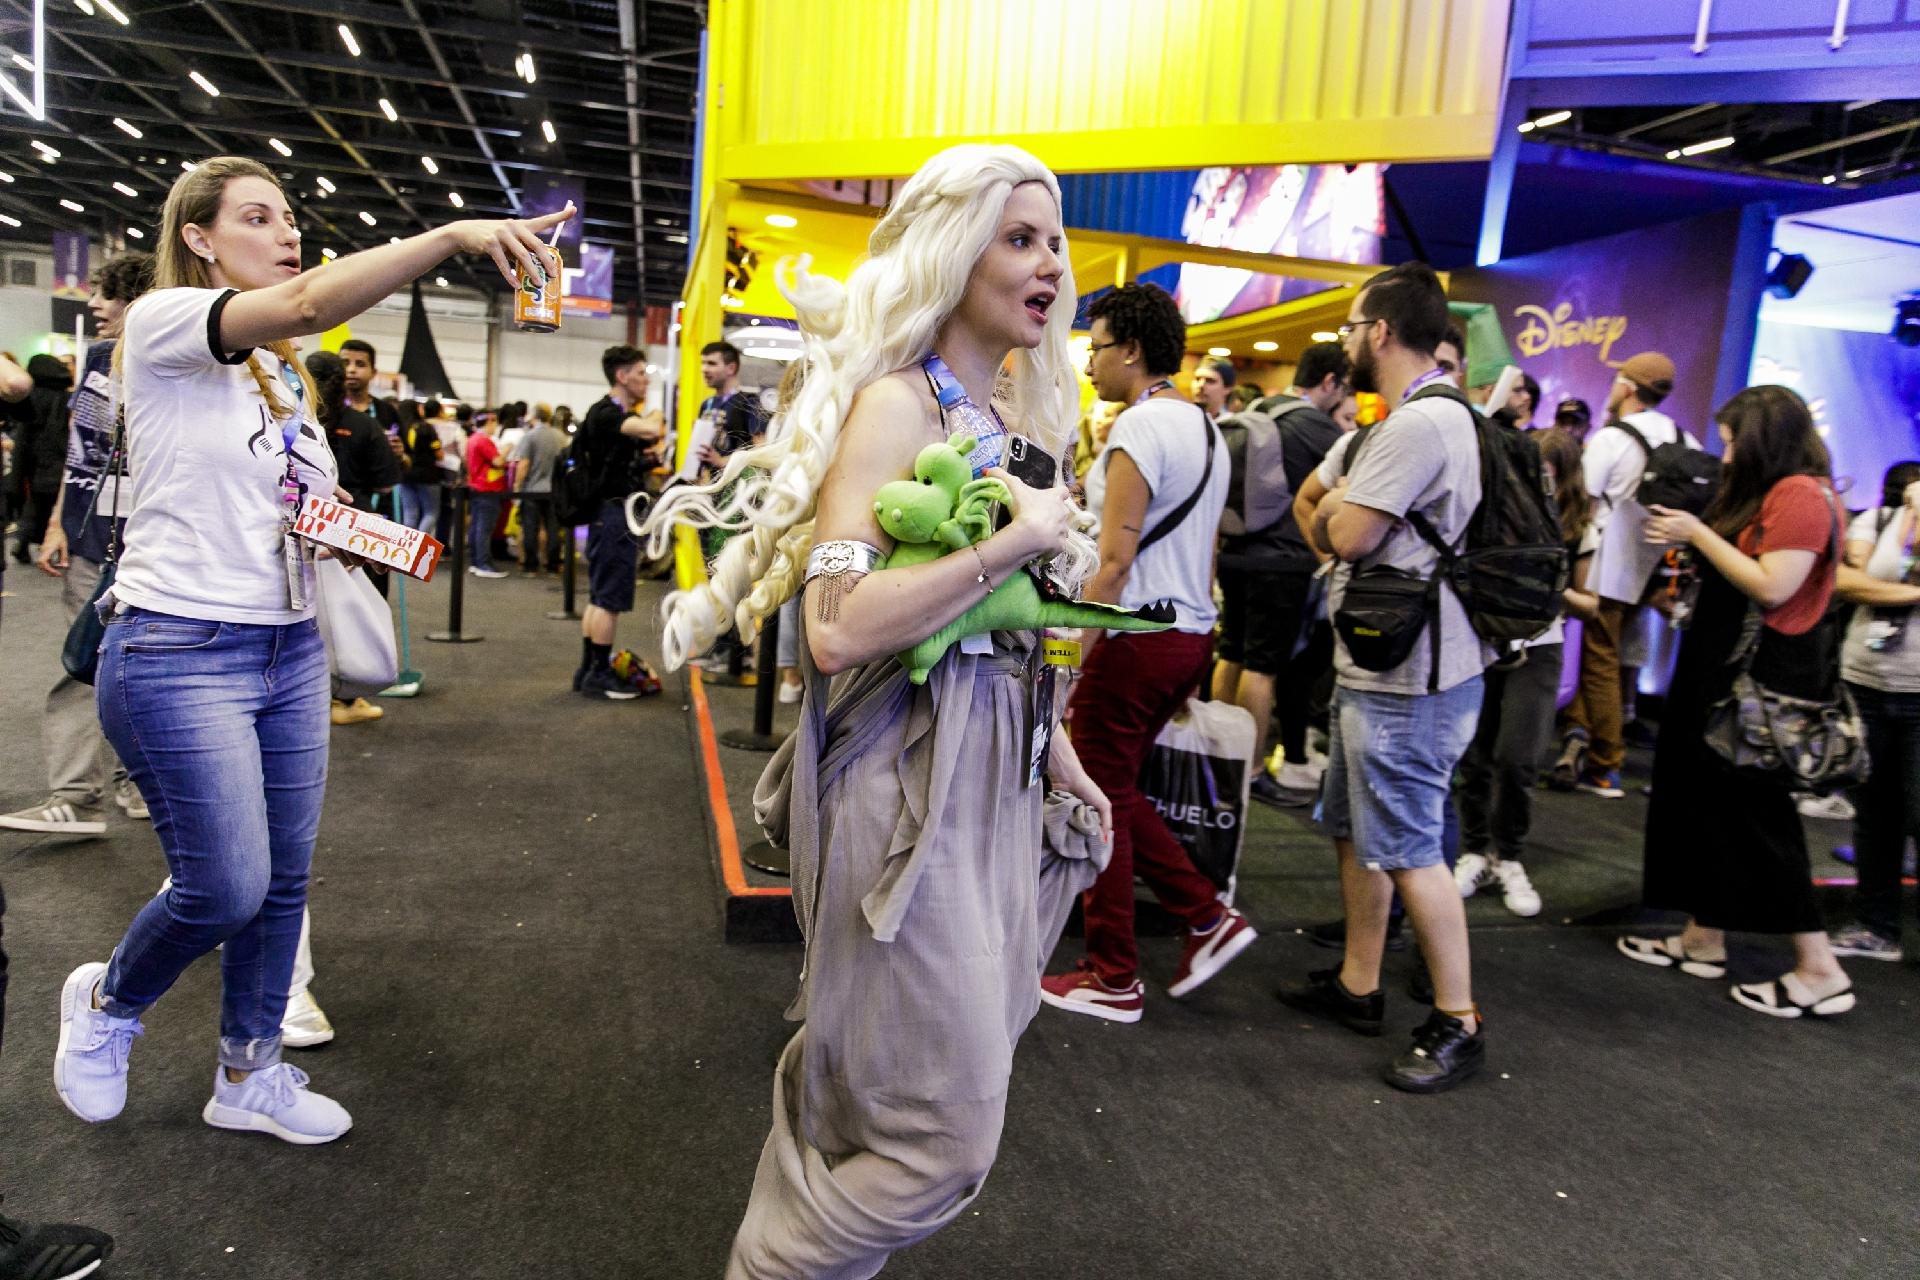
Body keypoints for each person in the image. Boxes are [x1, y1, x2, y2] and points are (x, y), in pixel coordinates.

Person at [645, 143, 1111, 1279]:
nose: (1049, 262)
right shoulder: (896, 410)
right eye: (1019, 237)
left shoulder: (997, 418)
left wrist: (1055, 753)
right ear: (953, 257)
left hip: (987, 780)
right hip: (906, 789)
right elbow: (839, 623)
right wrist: (1019, 536)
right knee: (942, 1135)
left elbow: (993, 628)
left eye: (1053, 240)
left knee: (879, 1095)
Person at [51, 154, 571, 1144]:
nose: (286, 231)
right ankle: (108, 1001)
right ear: (199, 236)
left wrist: (338, 524)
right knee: (224, 883)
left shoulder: (284, 377)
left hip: (288, 647)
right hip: (177, 646)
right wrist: (456, 237)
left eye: (290, 216)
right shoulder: (165, 321)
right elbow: (298, 295)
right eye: (258, 216)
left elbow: (293, 498)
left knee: (284, 880)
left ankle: (250, 1069)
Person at [1279, 261, 1494, 1093]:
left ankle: (1459, 1020)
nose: (1345, 342)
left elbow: (1349, 531)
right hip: (1393, 664)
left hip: (1411, 675)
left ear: (1380, 332)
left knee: (1407, 847)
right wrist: (1339, 517)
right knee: (1357, 828)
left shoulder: (1416, 427)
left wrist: (1339, 519)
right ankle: (1358, 984)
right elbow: (1333, 515)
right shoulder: (1429, 418)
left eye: (1350, 328)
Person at [1041, 282, 1253, 1023]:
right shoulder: (1206, 428)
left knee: (1099, 796)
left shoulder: (1138, 432)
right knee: (1120, 791)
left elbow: (1114, 565)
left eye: (1095, 347)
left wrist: (1065, 663)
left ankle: (1113, 972)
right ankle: (1206, 914)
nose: (1090, 362)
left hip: (1135, 641)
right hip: (1188, 637)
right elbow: (1206, 553)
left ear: (1131, 350)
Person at [1617, 385, 1854, 1018]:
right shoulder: (1778, 493)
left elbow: (1774, 588)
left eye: (1730, 442)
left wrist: (1697, 531)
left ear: (1762, 439)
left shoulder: (1801, 494)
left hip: (1756, 687)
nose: (1724, 456)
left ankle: (1820, 967)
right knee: (1715, 811)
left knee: (1758, 821)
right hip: (1725, 681)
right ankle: (1705, 935)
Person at [0, 252, 154, 838]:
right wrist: (59, 524)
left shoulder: (181, 360)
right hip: (94, 540)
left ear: (136, 301)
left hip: (157, 544)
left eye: (105, 293)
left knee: (142, 672)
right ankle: (75, 795)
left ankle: (132, 780)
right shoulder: (94, 360)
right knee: (81, 661)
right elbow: (82, 451)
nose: (93, 304)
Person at [1453, 427, 1591, 918]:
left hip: (1542, 643)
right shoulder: (1497, 507)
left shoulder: (1582, 524)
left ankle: (1508, 855)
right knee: (1475, 753)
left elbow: (1592, 603)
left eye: (1549, 475)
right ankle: (1474, 849)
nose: (1538, 482)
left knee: (1519, 757)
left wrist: (1546, 583)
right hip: (1488, 640)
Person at [1215, 339, 1351, 805]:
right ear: (1330, 382)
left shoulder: (1259, 408)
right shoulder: (1318, 429)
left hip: (1234, 553)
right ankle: (1250, 770)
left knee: (1230, 652)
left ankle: (1217, 755)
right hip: (1282, 562)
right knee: (1263, 666)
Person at [1555, 351, 1691, 798]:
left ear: (1629, 387)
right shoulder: (1683, 438)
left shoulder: (1612, 439)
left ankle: (1604, 763)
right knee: (1610, 654)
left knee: (1599, 659)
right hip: (1653, 562)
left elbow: (1583, 499)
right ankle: (1578, 737)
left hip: (1608, 559)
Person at [1824, 461, 1920, 962]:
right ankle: (1875, 925)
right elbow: (1850, 582)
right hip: (1867, 682)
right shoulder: (1879, 521)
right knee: (1874, 814)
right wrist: (1907, 522)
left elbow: (1872, 583)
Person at [572, 345, 663, 699]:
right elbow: (651, 428)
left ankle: (590, 669)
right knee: (608, 598)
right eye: (640, 373)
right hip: (613, 515)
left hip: (608, 512)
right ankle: (598, 674)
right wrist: (656, 416)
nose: (645, 380)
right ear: (622, 376)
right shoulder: (608, 413)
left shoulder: (606, 414)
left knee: (600, 597)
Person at [1, 355, 75, 565]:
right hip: (60, 463)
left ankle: (25, 544)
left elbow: (23, 439)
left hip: (37, 464)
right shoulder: (66, 399)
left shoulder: (35, 397)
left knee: (34, 507)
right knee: (53, 510)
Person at [510, 402, 570, 574]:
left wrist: (517, 485)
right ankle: (553, 565)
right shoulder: (560, 437)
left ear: (534, 416)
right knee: (553, 529)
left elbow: (524, 464)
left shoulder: (529, 436)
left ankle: (531, 565)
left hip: (533, 489)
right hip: (554, 490)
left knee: (530, 527)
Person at [464, 408, 509, 578]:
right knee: (484, 528)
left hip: (478, 487)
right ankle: (483, 563)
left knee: (477, 527)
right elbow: (497, 461)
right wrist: (507, 449)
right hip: (487, 488)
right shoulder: (483, 441)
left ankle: (477, 561)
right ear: (489, 421)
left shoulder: (473, 439)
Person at [397, 397, 448, 533]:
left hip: (405, 474)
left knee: (409, 513)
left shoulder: (398, 429)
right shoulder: (426, 427)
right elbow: (439, 454)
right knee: (431, 512)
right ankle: (420, 546)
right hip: (428, 475)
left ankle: (407, 547)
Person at [338, 339, 400, 434]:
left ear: (373, 372)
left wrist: (399, 448)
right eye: (345, 363)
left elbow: (404, 446)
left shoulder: (388, 411)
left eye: (360, 364)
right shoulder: (328, 410)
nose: (351, 369)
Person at [1189, 355, 1234, 419]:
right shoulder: (1181, 418)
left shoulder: (1233, 425)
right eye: (1197, 379)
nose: (1201, 385)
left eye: (1210, 381)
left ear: (1227, 388)